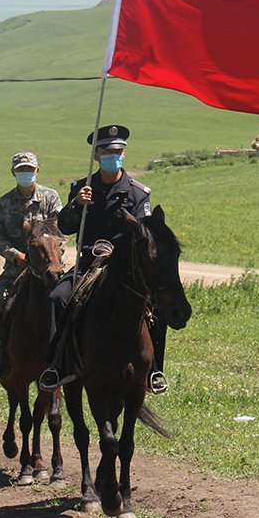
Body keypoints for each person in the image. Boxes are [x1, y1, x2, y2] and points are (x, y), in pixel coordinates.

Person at [38, 124, 170, 395]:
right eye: (107, 152)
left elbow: (145, 233)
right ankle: (57, 365)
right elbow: (64, 226)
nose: (113, 156)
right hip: (89, 263)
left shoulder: (138, 193)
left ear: (124, 153)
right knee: (57, 298)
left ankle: (154, 369)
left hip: (127, 269)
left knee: (158, 307)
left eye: (118, 151)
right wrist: (77, 204)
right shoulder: (81, 188)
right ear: (96, 155)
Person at [0, 151, 63, 380]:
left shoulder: (51, 197)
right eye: (21, 170)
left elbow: (61, 233)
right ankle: (2, 357)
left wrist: (50, 259)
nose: (26, 173)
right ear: (13, 173)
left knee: (71, 307)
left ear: (37, 171)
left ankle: (68, 360)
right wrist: (16, 255)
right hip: (16, 269)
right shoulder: (4, 203)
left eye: (29, 169)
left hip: (50, 270)